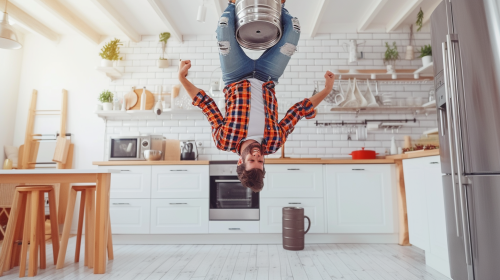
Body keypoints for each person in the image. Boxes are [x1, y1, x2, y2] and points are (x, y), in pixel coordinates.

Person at [178, 0, 335, 192]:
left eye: (252, 159)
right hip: (267, 75)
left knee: (224, 29)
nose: (256, 154)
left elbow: (206, 104)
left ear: (240, 161)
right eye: (260, 160)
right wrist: (327, 90)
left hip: (234, 76)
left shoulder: (225, 140)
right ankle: (279, 4)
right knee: (294, 31)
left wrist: (182, 78)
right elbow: (299, 111)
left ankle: (232, 2)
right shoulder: (274, 141)